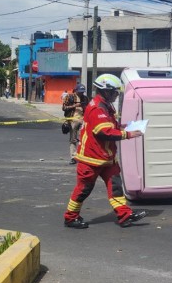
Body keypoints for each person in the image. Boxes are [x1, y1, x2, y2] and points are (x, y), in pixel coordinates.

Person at [63, 74, 147, 229]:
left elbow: (111, 126)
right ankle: (70, 217)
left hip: (107, 158)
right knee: (83, 190)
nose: (116, 95)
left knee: (116, 187)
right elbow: (103, 132)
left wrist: (125, 126)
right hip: (91, 159)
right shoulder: (96, 107)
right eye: (114, 91)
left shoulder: (106, 105)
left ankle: (124, 215)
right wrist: (128, 134)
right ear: (105, 91)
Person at [62, 83, 88, 165]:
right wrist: (74, 106)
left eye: (82, 92)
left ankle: (82, 156)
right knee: (73, 139)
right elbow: (64, 108)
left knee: (83, 139)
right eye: (80, 91)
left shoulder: (85, 98)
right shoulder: (69, 97)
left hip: (83, 120)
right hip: (72, 120)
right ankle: (73, 157)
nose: (81, 93)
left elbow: (88, 108)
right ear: (76, 90)